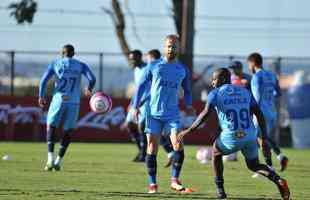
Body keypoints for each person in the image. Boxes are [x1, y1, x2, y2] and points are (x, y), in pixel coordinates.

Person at [177, 68, 290, 200]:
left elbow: (205, 114)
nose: (212, 82)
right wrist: (263, 137)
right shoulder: (245, 91)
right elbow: (258, 113)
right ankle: (278, 179)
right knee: (254, 165)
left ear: (223, 79)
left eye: (214, 79)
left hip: (232, 135)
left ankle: (220, 191)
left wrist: (189, 130)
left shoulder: (216, 93)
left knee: (215, 153)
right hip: (250, 134)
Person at [132, 35, 195, 194]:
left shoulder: (182, 69)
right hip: (152, 113)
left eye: (174, 46)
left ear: (178, 48)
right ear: (164, 47)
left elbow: (187, 90)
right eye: (168, 46)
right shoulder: (153, 65)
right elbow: (140, 87)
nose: (170, 49)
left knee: (177, 144)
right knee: (152, 147)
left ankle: (174, 180)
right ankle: (152, 184)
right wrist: (135, 106)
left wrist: (188, 105)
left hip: (172, 114)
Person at [39, 44, 96, 171]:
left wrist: (41, 96)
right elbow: (92, 78)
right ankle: (58, 161)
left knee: (51, 126)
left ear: (62, 53)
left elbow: (43, 81)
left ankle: (50, 159)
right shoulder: (81, 65)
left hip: (59, 99)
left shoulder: (55, 63)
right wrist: (89, 88)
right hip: (74, 101)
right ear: (73, 54)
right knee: (68, 130)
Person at [247, 53, 289, 171]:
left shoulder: (256, 77)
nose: (249, 67)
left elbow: (257, 98)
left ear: (253, 63)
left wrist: (253, 113)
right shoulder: (271, 75)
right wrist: (269, 99)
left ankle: (268, 168)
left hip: (261, 112)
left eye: (249, 64)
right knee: (264, 137)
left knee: (258, 139)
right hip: (271, 111)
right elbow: (278, 93)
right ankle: (280, 157)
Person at [146, 49, 175, 167]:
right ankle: (169, 152)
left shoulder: (154, 68)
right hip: (159, 106)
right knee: (158, 133)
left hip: (153, 107)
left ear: (151, 57)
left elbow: (148, 89)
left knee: (151, 133)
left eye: (148, 57)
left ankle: (149, 155)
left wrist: (137, 104)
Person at [123, 49, 148, 162]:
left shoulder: (147, 69)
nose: (131, 61)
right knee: (129, 124)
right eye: (130, 59)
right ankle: (141, 151)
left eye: (133, 59)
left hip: (146, 103)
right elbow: (137, 89)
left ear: (139, 58)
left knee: (141, 127)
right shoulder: (136, 70)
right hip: (136, 103)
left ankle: (143, 154)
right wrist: (132, 103)